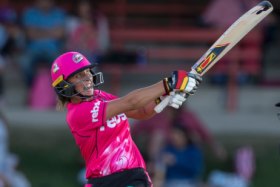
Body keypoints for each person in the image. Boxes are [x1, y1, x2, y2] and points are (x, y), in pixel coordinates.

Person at [50, 51, 202, 187]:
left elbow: (141, 112)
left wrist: (166, 97)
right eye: (79, 76)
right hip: (110, 180)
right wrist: (169, 83)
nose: (88, 77)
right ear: (65, 86)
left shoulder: (100, 96)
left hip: (132, 177)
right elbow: (131, 102)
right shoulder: (78, 113)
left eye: (87, 72)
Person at [155, 123, 204, 187]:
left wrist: (176, 161)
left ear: (185, 136)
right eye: (173, 134)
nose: (175, 137)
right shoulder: (167, 149)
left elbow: (196, 169)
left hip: (189, 182)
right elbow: (159, 169)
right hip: (169, 183)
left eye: (178, 134)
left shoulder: (193, 151)